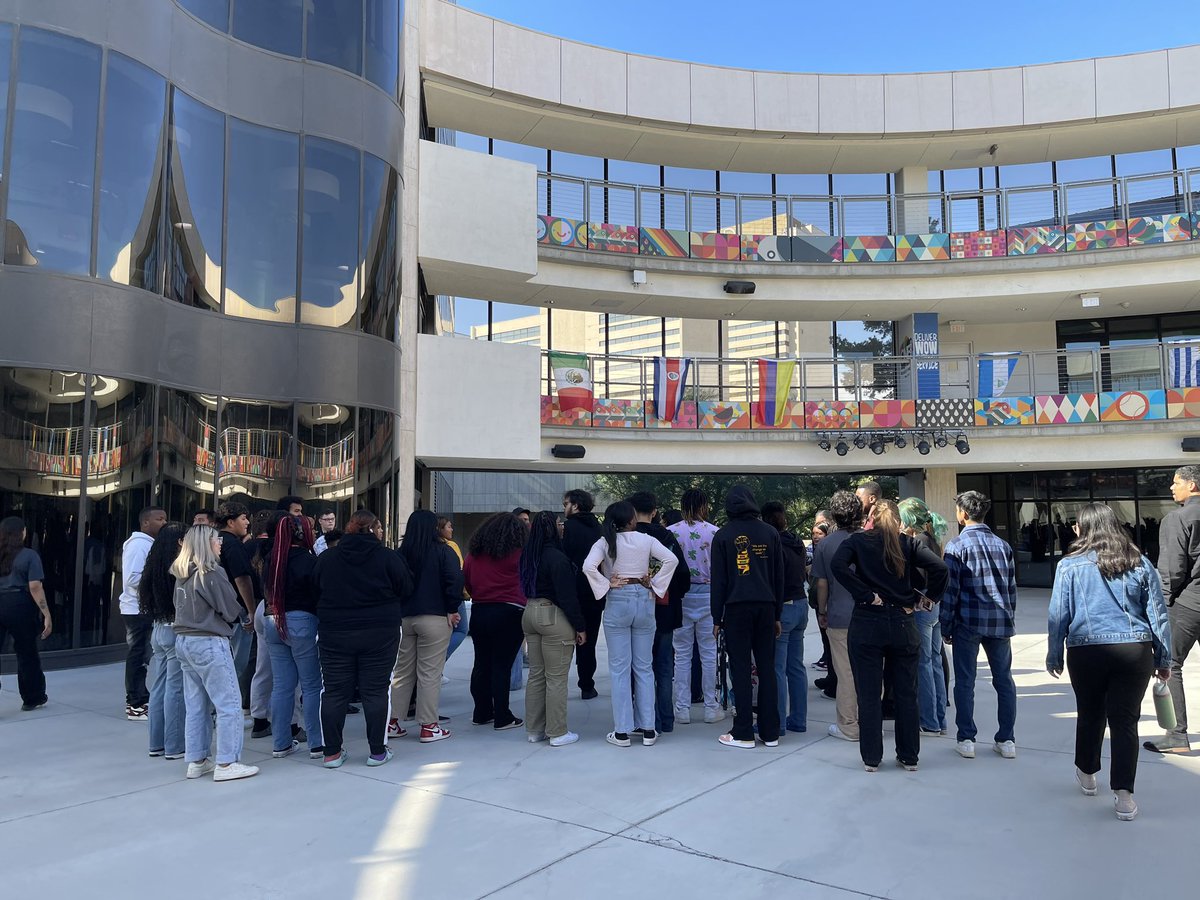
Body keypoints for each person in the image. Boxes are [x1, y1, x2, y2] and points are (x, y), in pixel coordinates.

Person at [1048, 503, 1172, 821]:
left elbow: (1058, 614)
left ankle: (1088, 774)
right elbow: (1157, 614)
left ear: (1084, 528)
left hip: (1086, 650)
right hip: (1134, 650)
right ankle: (1125, 796)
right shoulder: (1139, 562)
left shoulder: (1069, 565)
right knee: (1125, 721)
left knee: (1090, 714)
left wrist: (1054, 651)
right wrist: (1163, 656)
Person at [831, 499, 948, 773]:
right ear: (897, 520)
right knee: (907, 692)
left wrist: (863, 594)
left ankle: (872, 758)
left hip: (867, 619)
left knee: (869, 693)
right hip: (903, 620)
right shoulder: (908, 543)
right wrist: (928, 599)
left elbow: (837, 566)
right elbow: (941, 569)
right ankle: (909, 756)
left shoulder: (858, 542)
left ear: (871, 518)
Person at [313, 510, 412, 768]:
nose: (381, 532)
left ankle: (332, 753)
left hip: (334, 632)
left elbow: (314, 588)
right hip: (381, 632)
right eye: (379, 528)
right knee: (377, 690)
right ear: (372, 528)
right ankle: (377, 751)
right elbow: (406, 587)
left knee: (334, 691)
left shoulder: (328, 558)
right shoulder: (388, 557)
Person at [583, 501, 678, 747]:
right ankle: (648, 729)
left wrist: (606, 584)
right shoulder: (645, 539)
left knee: (619, 669)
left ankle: (622, 731)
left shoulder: (606, 541)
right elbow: (671, 560)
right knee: (644, 667)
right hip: (643, 598)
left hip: (618, 599)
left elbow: (587, 566)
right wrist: (655, 583)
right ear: (632, 519)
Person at [171, 525, 259, 782]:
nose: (220, 542)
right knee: (228, 704)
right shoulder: (211, 572)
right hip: (209, 641)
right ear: (205, 544)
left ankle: (197, 760)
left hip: (185, 641)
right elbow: (231, 610)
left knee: (196, 704)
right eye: (216, 539)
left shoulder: (181, 572)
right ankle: (227, 762)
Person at [941, 490, 1019, 760]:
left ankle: (966, 738)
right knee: (1004, 681)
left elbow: (950, 591)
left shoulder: (956, 547)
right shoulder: (1003, 545)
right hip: (999, 621)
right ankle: (1007, 739)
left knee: (965, 681)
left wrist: (946, 625)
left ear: (963, 514)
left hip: (968, 621)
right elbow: (1011, 589)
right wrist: (1010, 617)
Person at [710, 485, 784, 750]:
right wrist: (777, 614)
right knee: (767, 668)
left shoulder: (723, 535)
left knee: (740, 669)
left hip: (736, 609)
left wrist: (716, 617)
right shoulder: (770, 532)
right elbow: (778, 576)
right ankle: (771, 731)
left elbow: (718, 581)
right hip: (766, 607)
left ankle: (742, 732)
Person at [389, 510, 463, 743]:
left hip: (405, 618)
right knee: (429, 673)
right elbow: (454, 582)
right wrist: (452, 609)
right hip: (435, 617)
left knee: (401, 672)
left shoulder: (399, 554)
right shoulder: (444, 551)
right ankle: (429, 726)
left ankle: (391, 722)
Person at [1146, 464, 1200, 754]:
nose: (1171, 487)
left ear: (1191, 485)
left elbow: (1172, 571)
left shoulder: (1177, 518)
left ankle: (1177, 735)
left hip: (1189, 604)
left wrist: (1162, 605)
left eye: (1175, 482)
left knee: (1170, 666)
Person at [262, 513, 325, 760]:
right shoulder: (310, 561)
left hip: (272, 620)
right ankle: (317, 743)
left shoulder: (272, 559)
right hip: (302, 621)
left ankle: (280, 743)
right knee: (311, 685)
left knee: (282, 686)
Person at [520, 511, 586, 746]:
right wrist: (580, 626)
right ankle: (557, 732)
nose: (562, 527)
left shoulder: (528, 555)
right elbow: (567, 596)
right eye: (559, 524)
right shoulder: (557, 558)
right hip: (553, 616)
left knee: (536, 675)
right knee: (556, 677)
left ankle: (535, 729)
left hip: (529, 612)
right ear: (552, 528)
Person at [630, 490, 690, 734]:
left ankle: (645, 719)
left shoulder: (626, 537)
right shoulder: (667, 537)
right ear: (654, 512)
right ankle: (666, 719)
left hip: (634, 610)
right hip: (664, 610)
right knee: (665, 666)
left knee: (638, 666)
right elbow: (683, 575)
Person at [463, 512, 529, 730]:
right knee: (502, 666)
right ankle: (503, 715)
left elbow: (468, 583)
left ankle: (481, 712)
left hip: (480, 611)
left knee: (481, 664)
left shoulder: (474, 555)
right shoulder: (519, 553)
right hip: (510, 613)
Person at [668, 489, 723, 725]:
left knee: (682, 655)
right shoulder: (714, 533)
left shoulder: (671, 532)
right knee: (709, 654)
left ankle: (682, 708)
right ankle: (711, 707)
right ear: (704, 506)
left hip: (681, 596)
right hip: (709, 596)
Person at [899, 497, 950, 736]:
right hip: (933, 607)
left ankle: (930, 720)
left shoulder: (917, 540)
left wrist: (927, 597)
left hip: (923, 607)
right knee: (935, 661)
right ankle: (939, 718)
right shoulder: (932, 538)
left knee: (924, 663)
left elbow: (932, 573)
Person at [814, 492, 862, 741]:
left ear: (834, 515)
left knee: (845, 673)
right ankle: (870, 719)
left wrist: (822, 611)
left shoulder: (826, 544)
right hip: (870, 614)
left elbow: (822, 583)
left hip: (839, 615)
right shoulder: (872, 539)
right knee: (870, 670)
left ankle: (849, 725)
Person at [139, 522, 188, 759]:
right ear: (180, 542)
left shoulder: (154, 565)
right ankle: (175, 744)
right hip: (175, 629)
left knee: (159, 686)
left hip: (158, 628)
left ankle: (156, 743)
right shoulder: (178, 567)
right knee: (175, 689)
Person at [762, 501, 808, 735]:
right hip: (801, 603)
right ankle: (798, 719)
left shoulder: (773, 544)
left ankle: (777, 722)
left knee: (777, 668)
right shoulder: (797, 541)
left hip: (784, 607)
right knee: (796, 667)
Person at [119, 506, 167, 721]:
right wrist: (159, 582)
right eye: (159, 519)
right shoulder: (139, 545)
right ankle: (135, 703)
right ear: (145, 522)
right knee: (138, 656)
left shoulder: (148, 544)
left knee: (143, 656)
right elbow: (133, 578)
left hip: (143, 609)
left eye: (165, 518)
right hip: (137, 610)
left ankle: (141, 697)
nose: (164, 522)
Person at [214, 501, 260, 727]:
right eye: (243, 518)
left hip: (218, 612)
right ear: (231, 522)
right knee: (236, 665)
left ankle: (216, 711)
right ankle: (226, 713)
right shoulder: (233, 545)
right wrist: (251, 611)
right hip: (236, 611)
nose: (247, 522)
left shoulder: (213, 542)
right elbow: (242, 578)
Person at [0, 516, 51, 711]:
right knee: (26, 652)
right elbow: (35, 586)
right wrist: (46, 613)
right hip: (20, 604)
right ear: (22, 533)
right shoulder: (29, 555)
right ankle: (32, 697)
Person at [562, 489, 604, 699]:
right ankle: (587, 685)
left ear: (575, 506)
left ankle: (558, 685)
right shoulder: (600, 528)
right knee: (589, 641)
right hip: (594, 594)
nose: (564, 508)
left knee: (564, 640)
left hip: (570, 592)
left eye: (566, 504)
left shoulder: (567, 528)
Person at [437, 516, 470, 663]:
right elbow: (459, 571)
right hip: (454, 596)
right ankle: (439, 659)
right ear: (440, 528)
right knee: (461, 630)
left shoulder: (429, 547)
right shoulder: (451, 546)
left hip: (437, 598)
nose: (452, 529)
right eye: (449, 526)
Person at [810, 511, 833, 673]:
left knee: (830, 639)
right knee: (825, 639)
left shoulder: (826, 550)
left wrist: (823, 609)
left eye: (820, 533)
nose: (815, 537)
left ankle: (830, 669)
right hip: (817, 601)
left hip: (827, 603)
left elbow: (822, 582)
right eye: (813, 533)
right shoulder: (815, 550)